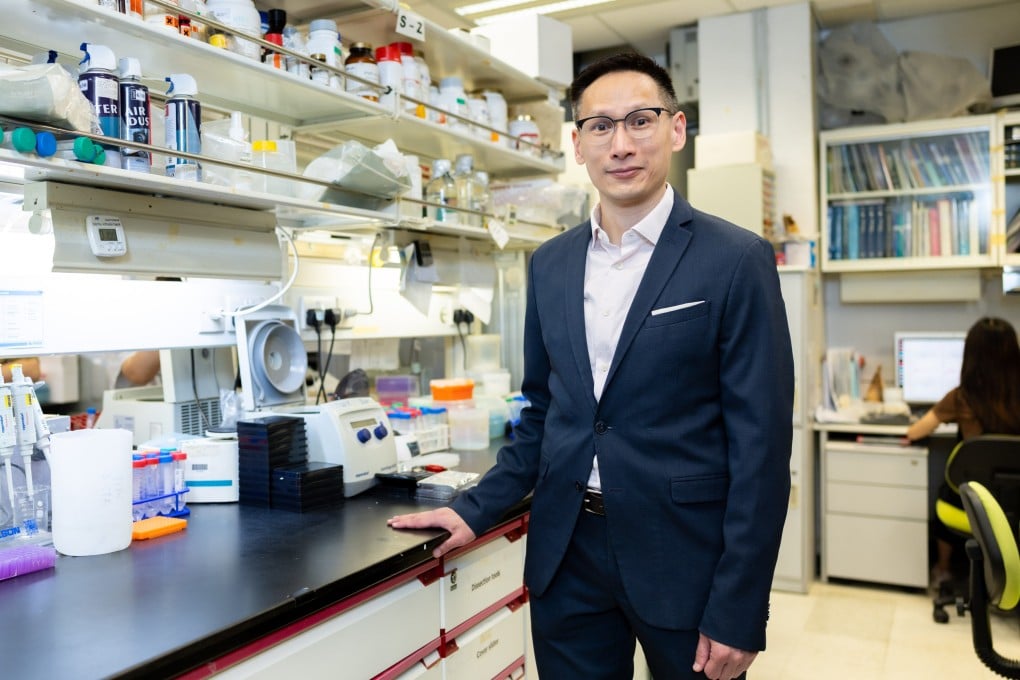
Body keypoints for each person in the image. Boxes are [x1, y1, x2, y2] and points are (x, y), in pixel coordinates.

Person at [387, 52, 794, 680]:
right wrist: (474, 508)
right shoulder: (550, 264)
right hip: (568, 553)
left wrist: (740, 606)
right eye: (600, 127)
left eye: (640, 120)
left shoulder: (736, 259)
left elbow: (762, 449)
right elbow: (543, 416)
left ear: (676, 129)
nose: (621, 144)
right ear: (578, 145)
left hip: (684, 557)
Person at [906, 316, 1020, 585]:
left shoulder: (961, 398)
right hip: (1016, 502)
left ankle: (943, 569)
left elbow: (915, 432)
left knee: (947, 488)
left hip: (974, 504)